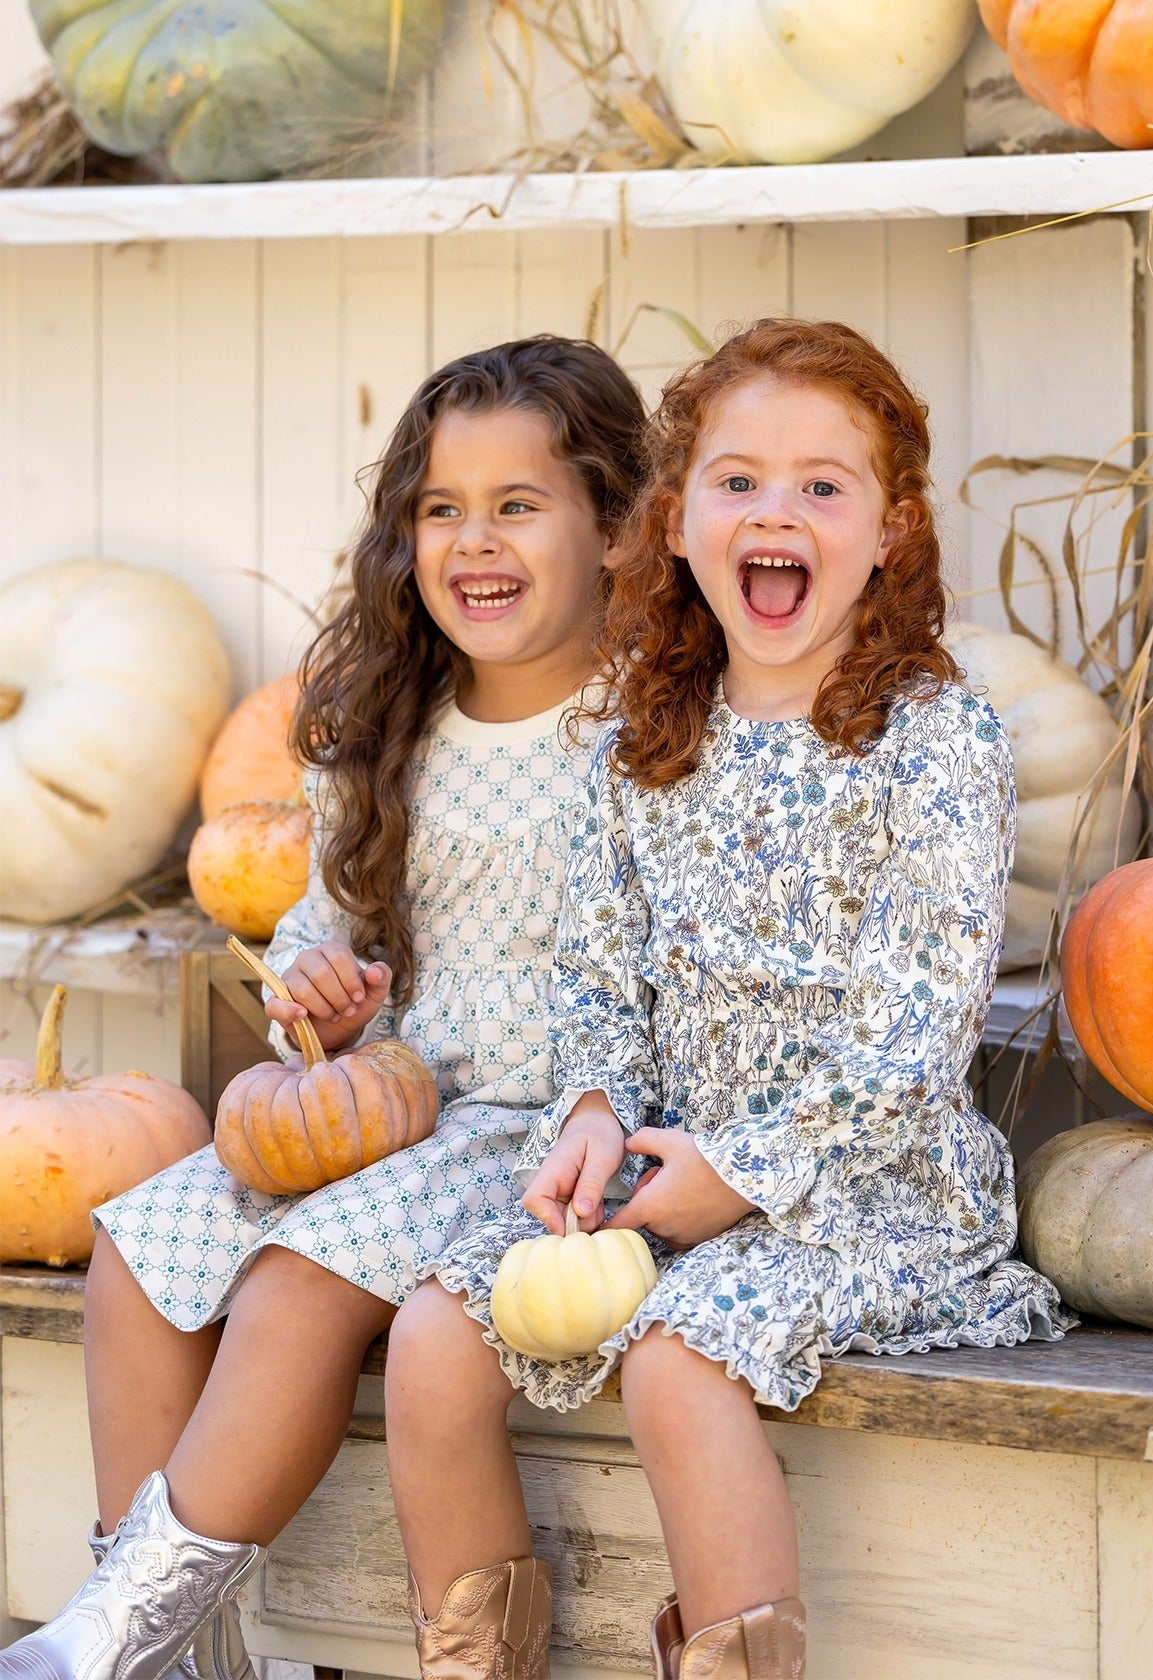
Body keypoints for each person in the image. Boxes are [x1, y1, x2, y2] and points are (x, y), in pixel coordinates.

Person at [384, 318, 1072, 1680]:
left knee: (677, 1364)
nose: (778, 510)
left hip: (872, 1193)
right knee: (434, 1334)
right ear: (679, 522)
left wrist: (740, 1172)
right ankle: (473, 1662)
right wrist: (590, 1113)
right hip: (664, 1179)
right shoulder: (643, 732)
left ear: (891, 532)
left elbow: (912, 1040)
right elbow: (599, 984)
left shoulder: (932, 742)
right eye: (739, 479)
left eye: (826, 486)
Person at [0, 335, 647, 1680]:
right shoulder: (389, 728)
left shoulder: (645, 734)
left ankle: (107, 1638)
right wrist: (322, 998)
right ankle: (172, 1652)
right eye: (440, 508)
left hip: (543, 1135)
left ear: (616, 524)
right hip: (387, 1104)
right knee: (138, 1251)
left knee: (299, 1280)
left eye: (519, 505)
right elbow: (319, 931)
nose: (475, 540)